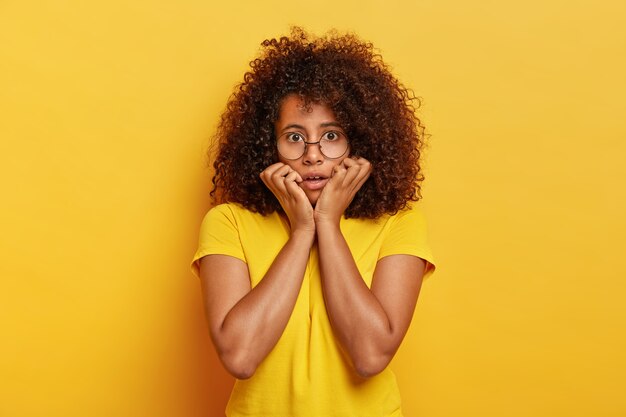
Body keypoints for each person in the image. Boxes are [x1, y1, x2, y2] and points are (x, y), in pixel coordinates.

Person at [191, 27, 436, 417]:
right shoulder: (228, 223)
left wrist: (328, 224)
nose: (313, 156)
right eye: (294, 137)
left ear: (360, 142)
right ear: (266, 144)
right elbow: (240, 356)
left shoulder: (400, 224)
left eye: (332, 135)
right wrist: (302, 231)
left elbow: (370, 355)